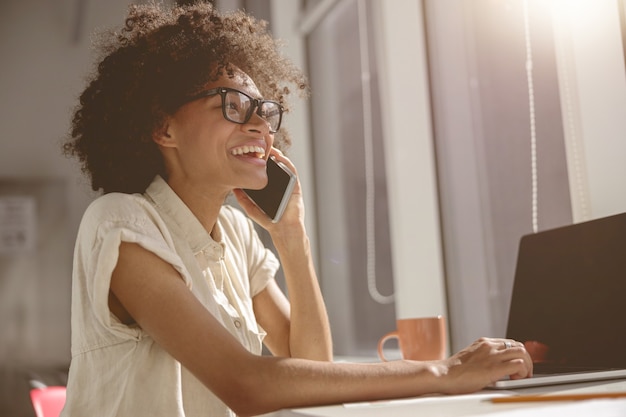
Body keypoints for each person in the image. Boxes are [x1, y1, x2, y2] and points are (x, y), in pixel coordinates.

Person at [60, 3, 532, 416]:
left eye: (263, 111)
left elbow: (312, 367)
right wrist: (442, 370)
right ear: (164, 129)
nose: (259, 127)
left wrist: (292, 237)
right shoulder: (121, 224)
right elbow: (246, 384)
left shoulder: (237, 235)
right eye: (232, 105)